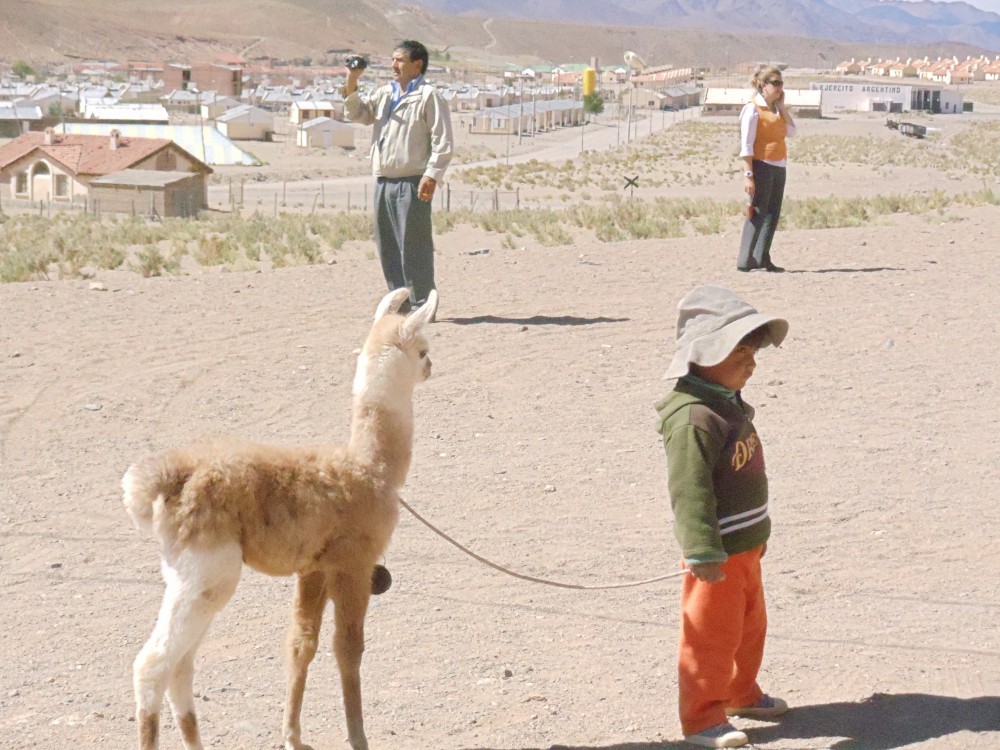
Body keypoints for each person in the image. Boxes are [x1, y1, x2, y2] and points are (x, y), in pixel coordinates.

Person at [654, 284, 791, 748]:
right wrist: (700, 549)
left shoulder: (725, 400)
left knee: (749, 627)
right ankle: (702, 717)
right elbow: (689, 492)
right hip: (716, 554)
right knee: (710, 635)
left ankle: (739, 692)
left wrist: (757, 535)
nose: (750, 361)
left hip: (746, 547)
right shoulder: (694, 417)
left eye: (753, 351)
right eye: (738, 350)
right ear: (702, 354)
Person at [343, 40, 454, 310]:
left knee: (414, 244)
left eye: (400, 60)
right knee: (388, 244)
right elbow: (357, 113)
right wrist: (352, 79)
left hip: (413, 181)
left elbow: (443, 140)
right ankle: (400, 300)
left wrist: (432, 175)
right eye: (392, 60)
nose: (394, 65)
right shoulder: (385, 94)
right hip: (385, 181)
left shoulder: (429, 96)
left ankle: (422, 304)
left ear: (417, 65)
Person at [737, 66, 796, 273]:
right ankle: (746, 258)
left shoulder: (777, 110)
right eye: (776, 83)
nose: (780, 88)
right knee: (758, 211)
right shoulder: (753, 109)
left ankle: (762, 256)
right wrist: (748, 175)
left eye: (782, 84)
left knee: (773, 212)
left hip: (779, 164)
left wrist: (783, 108)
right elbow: (746, 145)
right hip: (761, 164)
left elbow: (792, 132)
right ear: (763, 85)